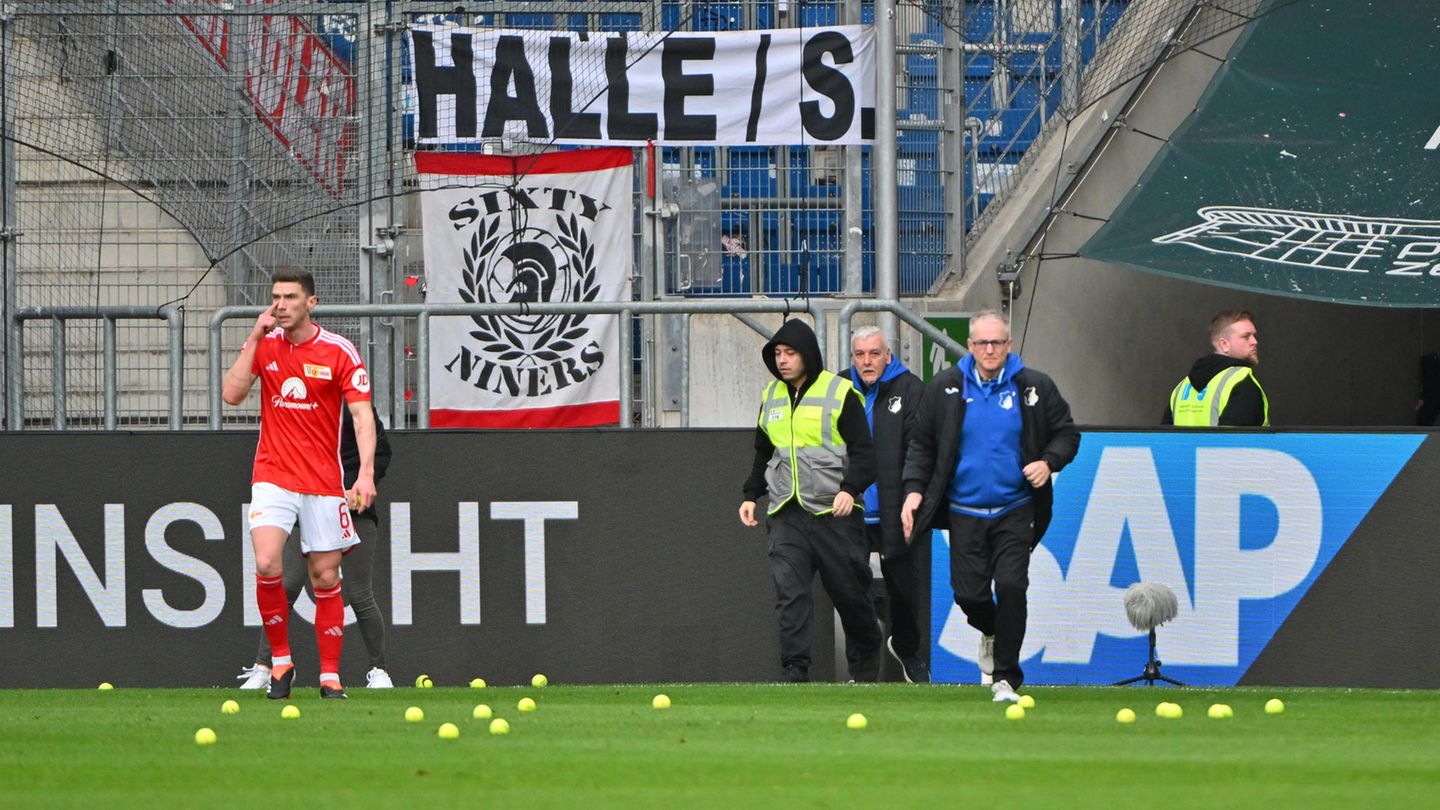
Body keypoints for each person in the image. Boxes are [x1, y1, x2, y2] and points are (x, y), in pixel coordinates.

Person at [900, 310, 1079, 702]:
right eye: (982, 343)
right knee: (969, 595)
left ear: (1009, 345)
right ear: (970, 346)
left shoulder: (1034, 386)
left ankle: (1005, 677)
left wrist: (1048, 461)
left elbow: (1066, 433)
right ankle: (992, 630)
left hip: (1016, 510)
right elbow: (921, 445)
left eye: (997, 342)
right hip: (964, 513)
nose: (990, 349)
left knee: (1013, 585)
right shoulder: (945, 387)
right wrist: (914, 490)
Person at [223, 268, 377, 700]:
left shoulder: (338, 351)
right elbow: (232, 394)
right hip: (273, 475)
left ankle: (330, 675)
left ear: (311, 302)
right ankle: (281, 662)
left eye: (291, 297)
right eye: (276, 297)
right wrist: (253, 337)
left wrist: (363, 474)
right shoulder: (265, 344)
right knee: (268, 562)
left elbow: (363, 417)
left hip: (324, 482)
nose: (281, 305)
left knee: (325, 575)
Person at [740, 319, 883, 683]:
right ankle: (795, 671)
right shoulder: (771, 395)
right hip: (786, 511)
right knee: (789, 592)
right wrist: (750, 494)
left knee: (850, 596)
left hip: (835, 512)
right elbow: (763, 450)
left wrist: (849, 491)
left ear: (808, 355)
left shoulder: (840, 392)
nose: (783, 360)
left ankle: (865, 669)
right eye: (777, 354)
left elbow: (865, 454)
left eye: (790, 353)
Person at [237, 402, 395, 690]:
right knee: (284, 586)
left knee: (360, 594)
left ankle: (379, 670)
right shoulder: (302, 404)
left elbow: (381, 454)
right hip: (307, 504)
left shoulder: (356, 407)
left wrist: (352, 490)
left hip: (354, 508)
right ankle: (266, 666)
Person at [846, 326, 928, 683]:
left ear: (888, 355)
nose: (867, 361)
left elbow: (920, 448)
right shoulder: (837, 388)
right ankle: (861, 670)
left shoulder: (910, 389)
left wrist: (913, 495)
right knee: (850, 591)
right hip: (852, 509)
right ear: (853, 358)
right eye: (860, 354)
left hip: (898, 511)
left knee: (906, 592)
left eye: (874, 353)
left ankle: (907, 650)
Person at [1164, 309, 1269, 427]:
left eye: (1254, 335)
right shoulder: (1241, 382)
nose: (1254, 341)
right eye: (1246, 336)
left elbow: (1163, 440)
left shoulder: (1181, 387)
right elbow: (1236, 442)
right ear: (1224, 344)